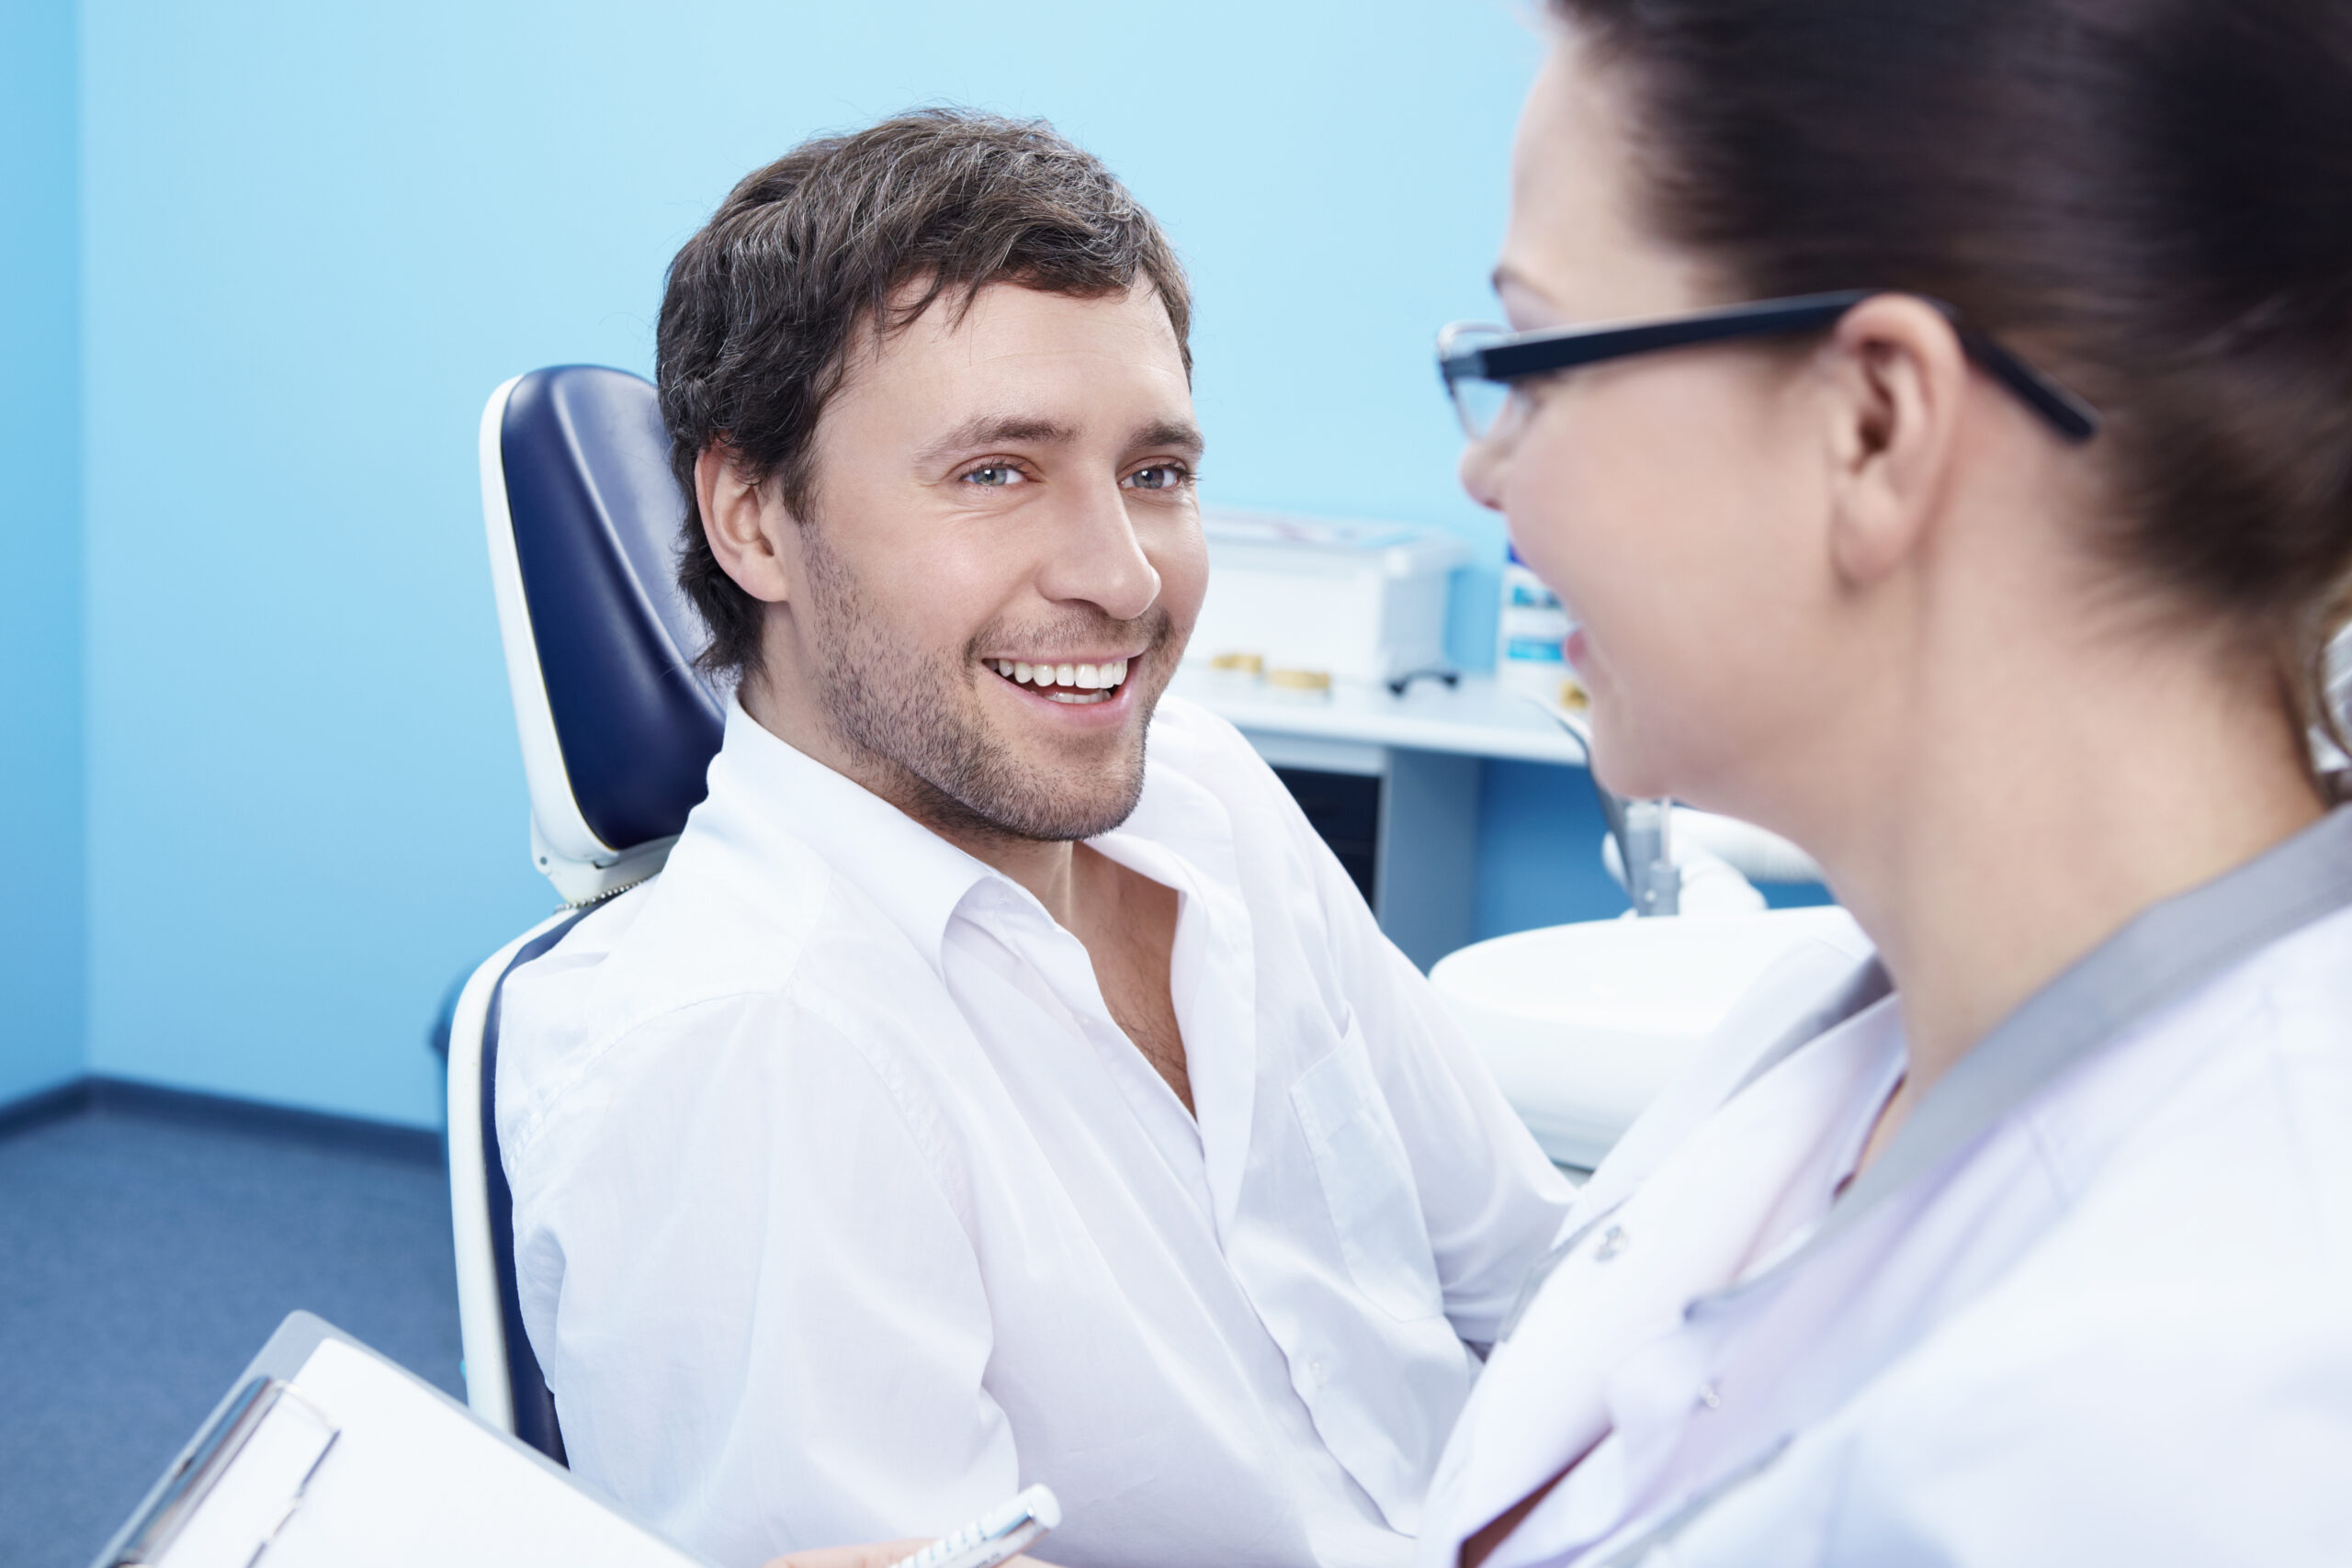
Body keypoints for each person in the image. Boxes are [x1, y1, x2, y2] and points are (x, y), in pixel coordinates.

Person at [494, 109, 1573, 1568]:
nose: (1123, 579)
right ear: (752, 520)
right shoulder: (753, 1046)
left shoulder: (1201, 788)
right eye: (997, 473)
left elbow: (1527, 1275)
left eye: (1157, 473)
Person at [1408, 1, 2352, 1563]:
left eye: (1535, 359)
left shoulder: (2197, 1407)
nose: (1486, 468)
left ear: (1874, 423)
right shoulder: (1857, 1028)